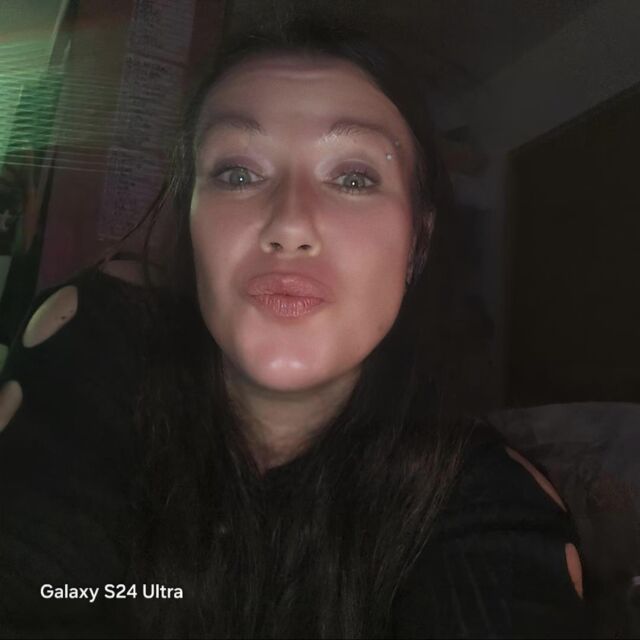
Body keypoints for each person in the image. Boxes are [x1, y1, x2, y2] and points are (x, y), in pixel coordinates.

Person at [0, 18, 588, 639]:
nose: (289, 224)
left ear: (418, 243)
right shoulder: (100, 342)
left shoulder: (489, 504)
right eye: (237, 173)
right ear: (191, 221)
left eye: (353, 178)